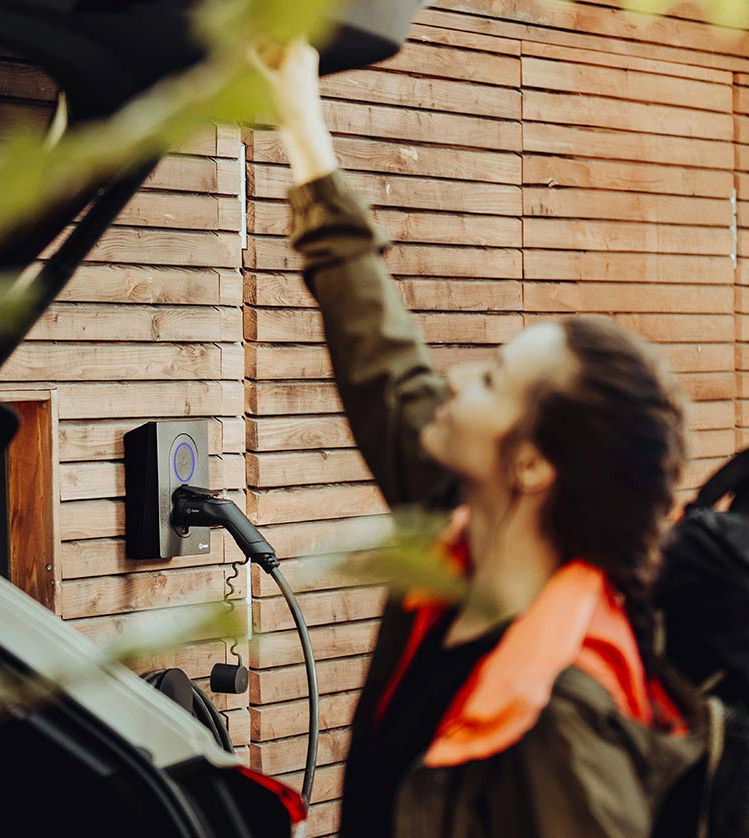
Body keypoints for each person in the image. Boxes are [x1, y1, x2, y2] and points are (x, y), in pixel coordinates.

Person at [251, 40, 709, 837]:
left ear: (530, 465)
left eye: (493, 379)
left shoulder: (563, 718)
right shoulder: (455, 531)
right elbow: (382, 361)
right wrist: (299, 115)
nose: (456, 381)